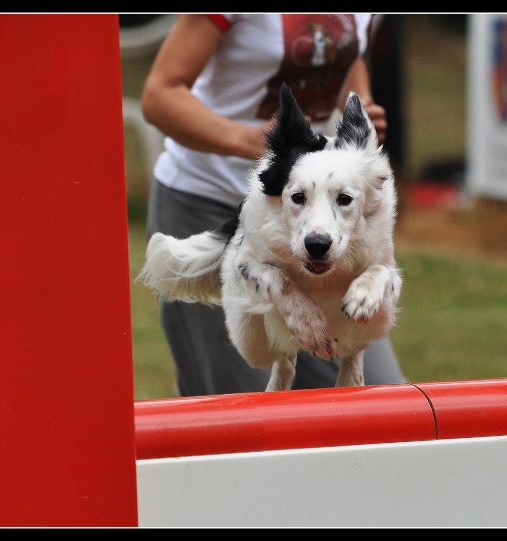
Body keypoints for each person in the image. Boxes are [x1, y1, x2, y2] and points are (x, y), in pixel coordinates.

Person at [141, 14, 408, 396]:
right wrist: (247, 140)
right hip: (208, 196)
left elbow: (347, 55)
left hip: (318, 217)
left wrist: (359, 110)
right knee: (239, 415)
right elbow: (159, 95)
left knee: (383, 401)